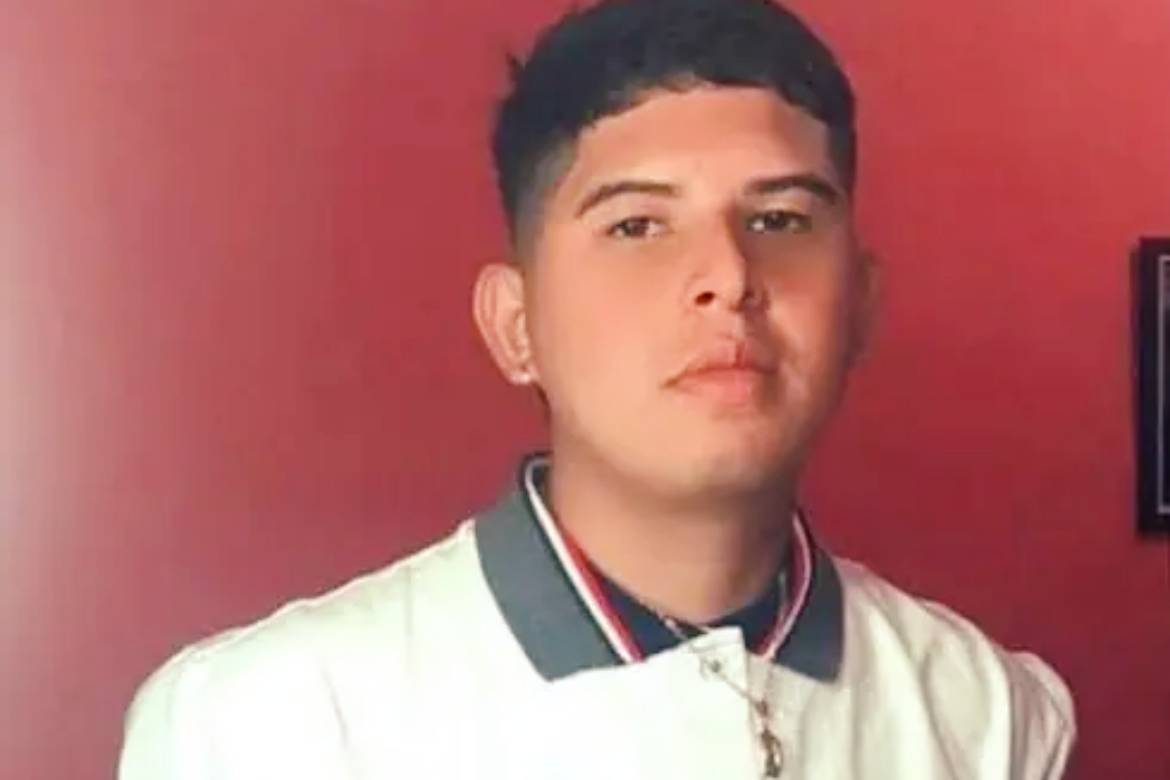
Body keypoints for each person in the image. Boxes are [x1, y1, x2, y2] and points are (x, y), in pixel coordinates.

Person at [118, 0, 1077, 777]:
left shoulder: (988, 716)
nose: (728, 276)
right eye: (637, 227)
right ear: (515, 325)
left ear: (860, 305)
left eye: (781, 218)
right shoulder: (267, 726)